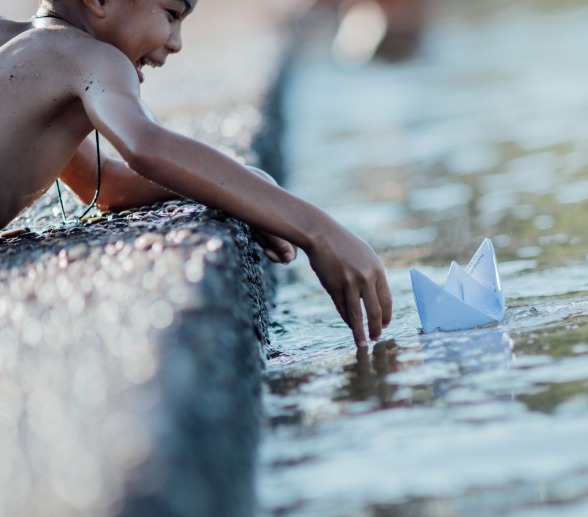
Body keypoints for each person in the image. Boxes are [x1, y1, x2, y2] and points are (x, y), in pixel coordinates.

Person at [0, 0, 392, 348]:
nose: (176, 42)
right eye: (171, 14)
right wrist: (316, 229)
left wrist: (250, 188)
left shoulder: (21, 47)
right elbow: (146, 146)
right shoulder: (93, 58)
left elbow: (106, 185)